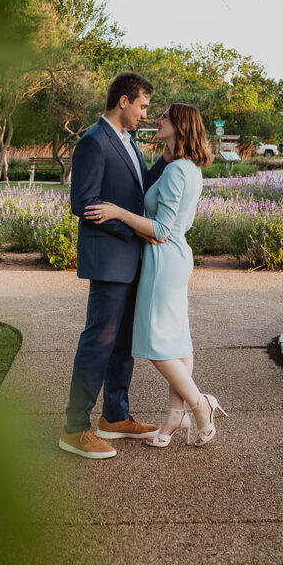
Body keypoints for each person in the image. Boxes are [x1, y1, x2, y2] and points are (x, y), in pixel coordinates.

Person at [84, 103, 227, 448]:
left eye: (164, 116)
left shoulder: (178, 171)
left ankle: (199, 403)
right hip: (175, 255)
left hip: (163, 258)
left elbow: (161, 229)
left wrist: (117, 211)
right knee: (177, 338)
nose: (157, 120)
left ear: (179, 125)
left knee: (156, 343)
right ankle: (174, 417)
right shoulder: (186, 167)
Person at [58, 73, 170, 460]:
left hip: (131, 258)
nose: (144, 114)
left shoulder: (127, 141)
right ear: (123, 101)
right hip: (109, 258)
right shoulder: (93, 142)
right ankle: (74, 428)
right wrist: (132, 232)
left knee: (123, 342)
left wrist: (168, 161)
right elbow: (83, 203)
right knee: (98, 341)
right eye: (142, 106)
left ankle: (115, 416)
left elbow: (136, 192)